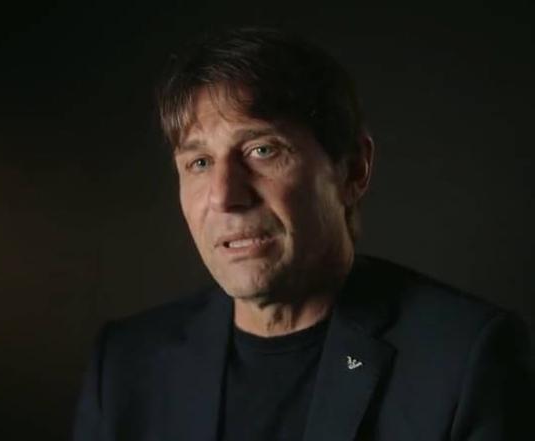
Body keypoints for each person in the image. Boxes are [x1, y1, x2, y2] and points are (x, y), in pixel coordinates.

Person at [73, 27, 532, 440]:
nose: (225, 196)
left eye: (261, 150)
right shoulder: (124, 364)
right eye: (199, 162)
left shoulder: (465, 360)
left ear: (353, 170)